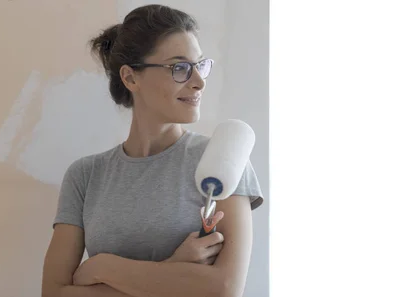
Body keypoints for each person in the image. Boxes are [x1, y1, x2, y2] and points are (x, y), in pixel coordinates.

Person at [41, 4, 264, 297]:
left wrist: (100, 268)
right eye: (180, 68)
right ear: (131, 78)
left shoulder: (223, 160)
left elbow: (222, 288)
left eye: (200, 65)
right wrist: (176, 267)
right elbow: (54, 292)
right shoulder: (86, 176)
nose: (199, 81)